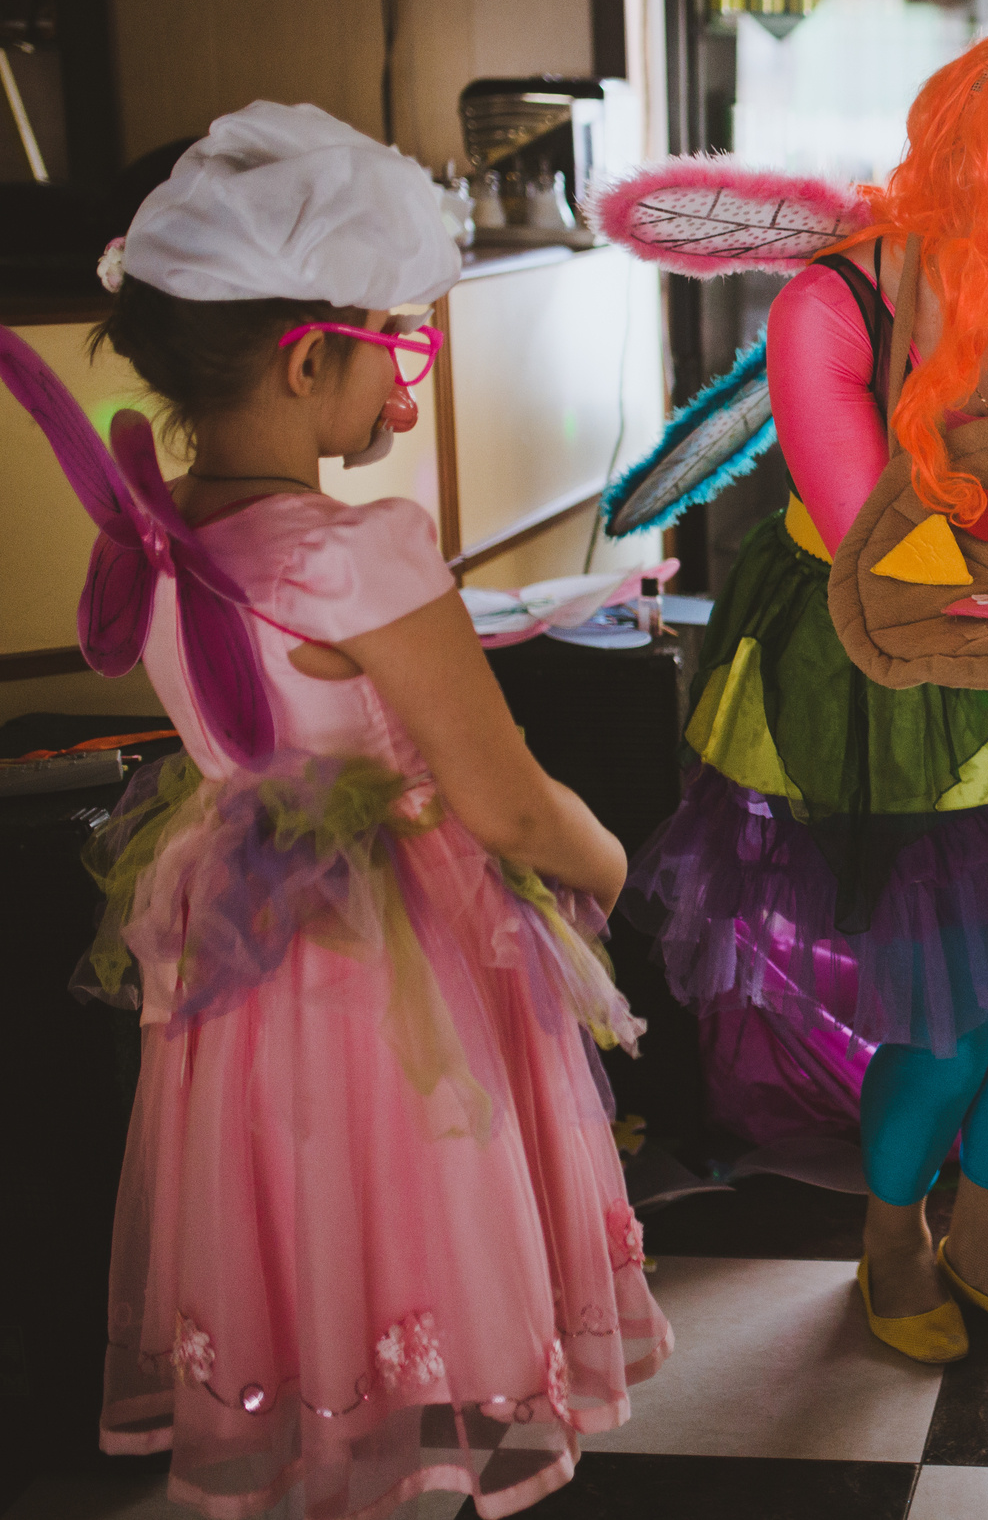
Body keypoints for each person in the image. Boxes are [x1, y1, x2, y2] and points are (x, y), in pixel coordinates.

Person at [8, 101, 669, 1517]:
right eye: (397, 353)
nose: (408, 394)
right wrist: (611, 858)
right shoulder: (360, 549)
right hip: (397, 962)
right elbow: (504, 802)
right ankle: (409, 1457)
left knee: (295, 1210)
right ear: (310, 358)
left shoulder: (162, 528)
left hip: (246, 960)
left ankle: (322, 1445)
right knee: (414, 1201)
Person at [628, 20, 988, 1363]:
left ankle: (984, 1240)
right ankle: (890, 1242)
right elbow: (883, 557)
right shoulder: (827, 305)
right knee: (948, 1016)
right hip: (874, 676)